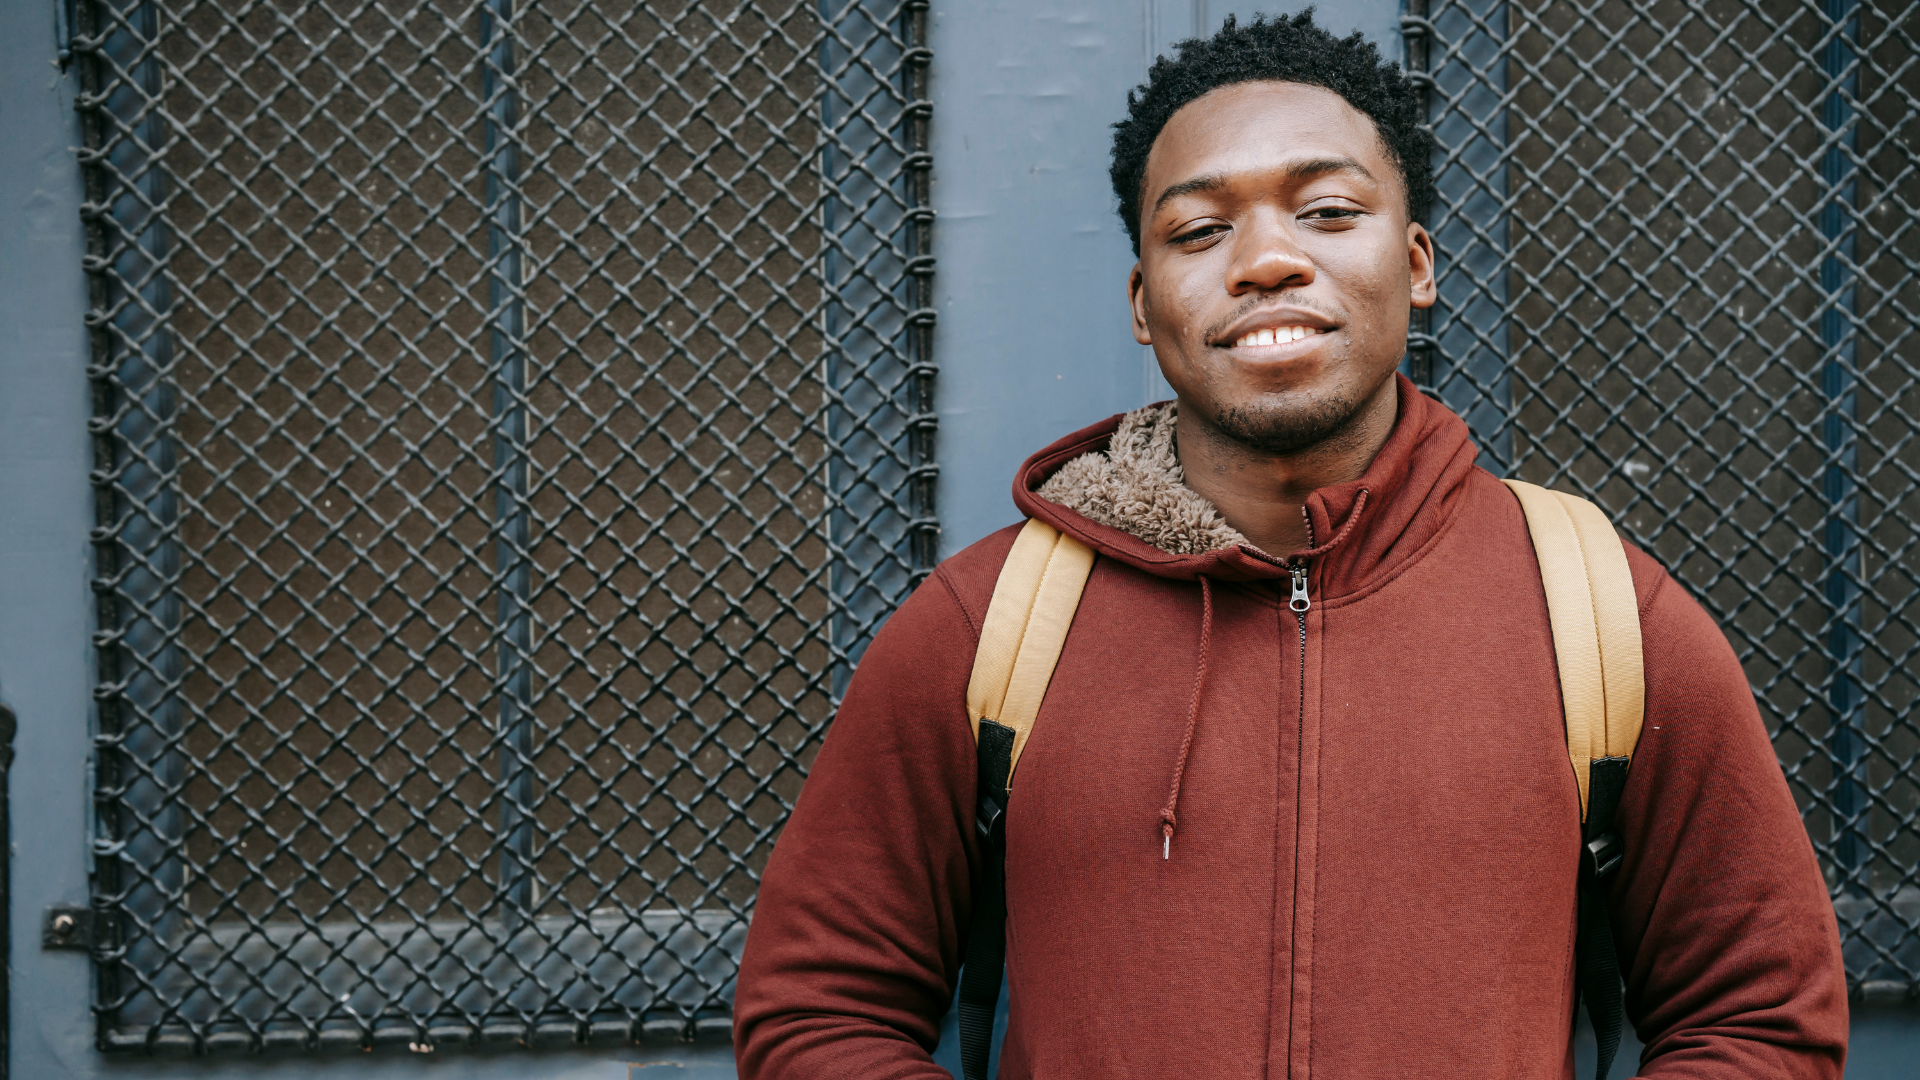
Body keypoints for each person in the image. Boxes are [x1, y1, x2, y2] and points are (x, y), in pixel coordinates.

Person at [733, 11, 1847, 1078]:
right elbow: (817, 1011)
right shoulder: (989, 628)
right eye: (1199, 230)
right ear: (1143, 302)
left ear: (1416, 264)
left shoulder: (1600, 615)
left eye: (1326, 211)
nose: (1266, 260)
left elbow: (1762, 1014)